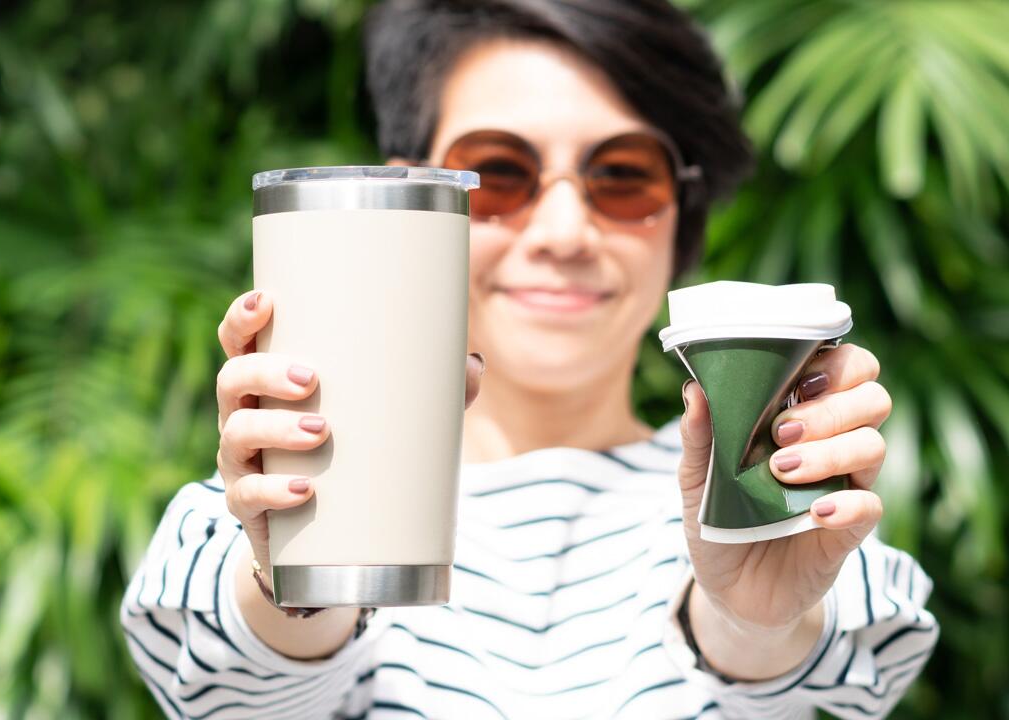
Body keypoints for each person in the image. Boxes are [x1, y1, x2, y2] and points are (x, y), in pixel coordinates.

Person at [120, 1, 939, 717]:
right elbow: (235, 696)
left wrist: (752, 620)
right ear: (407, 204)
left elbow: (822, 664)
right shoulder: (256, 511)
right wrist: (296, 569)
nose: (563, 233)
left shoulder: (771, 507)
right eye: (501, 174)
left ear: (681, 216)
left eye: (622, 178)